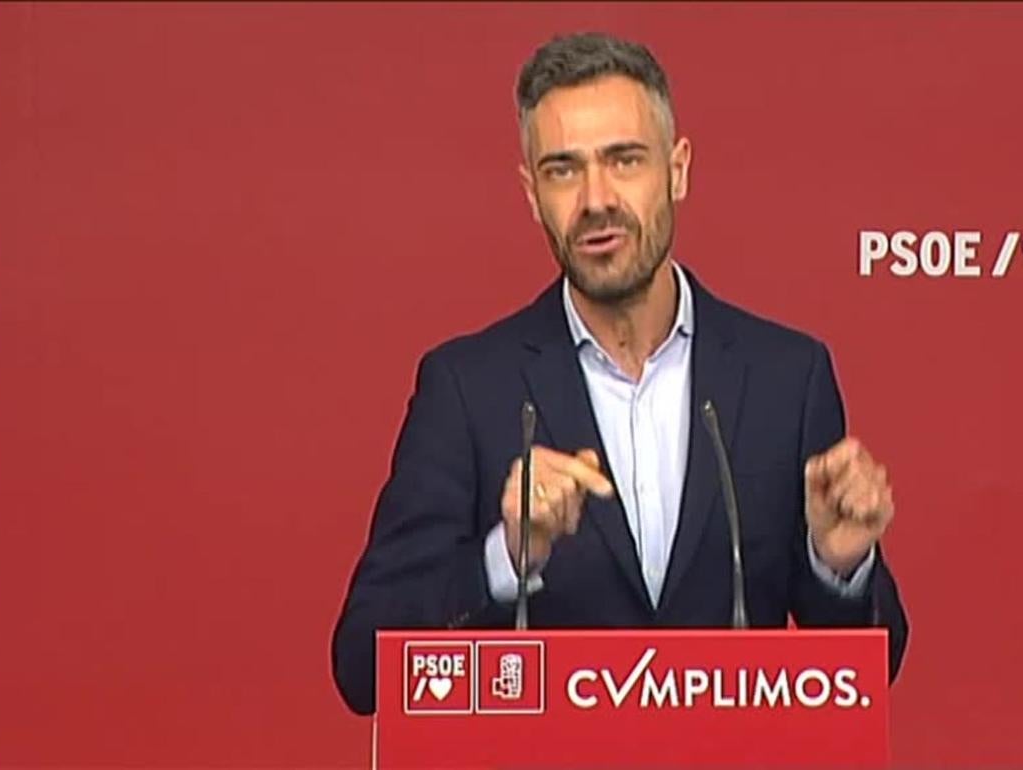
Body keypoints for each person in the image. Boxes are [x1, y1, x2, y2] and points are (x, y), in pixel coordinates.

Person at [332, 31, 908, 716]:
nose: (596, 199)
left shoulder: (787, 378)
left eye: (624, 160)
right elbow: (364, 666)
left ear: (678, 170)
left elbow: (872, 667)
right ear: (531, 193)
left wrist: (837, 565)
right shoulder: (467, 388)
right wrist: (506, 558)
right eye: (563, 170)